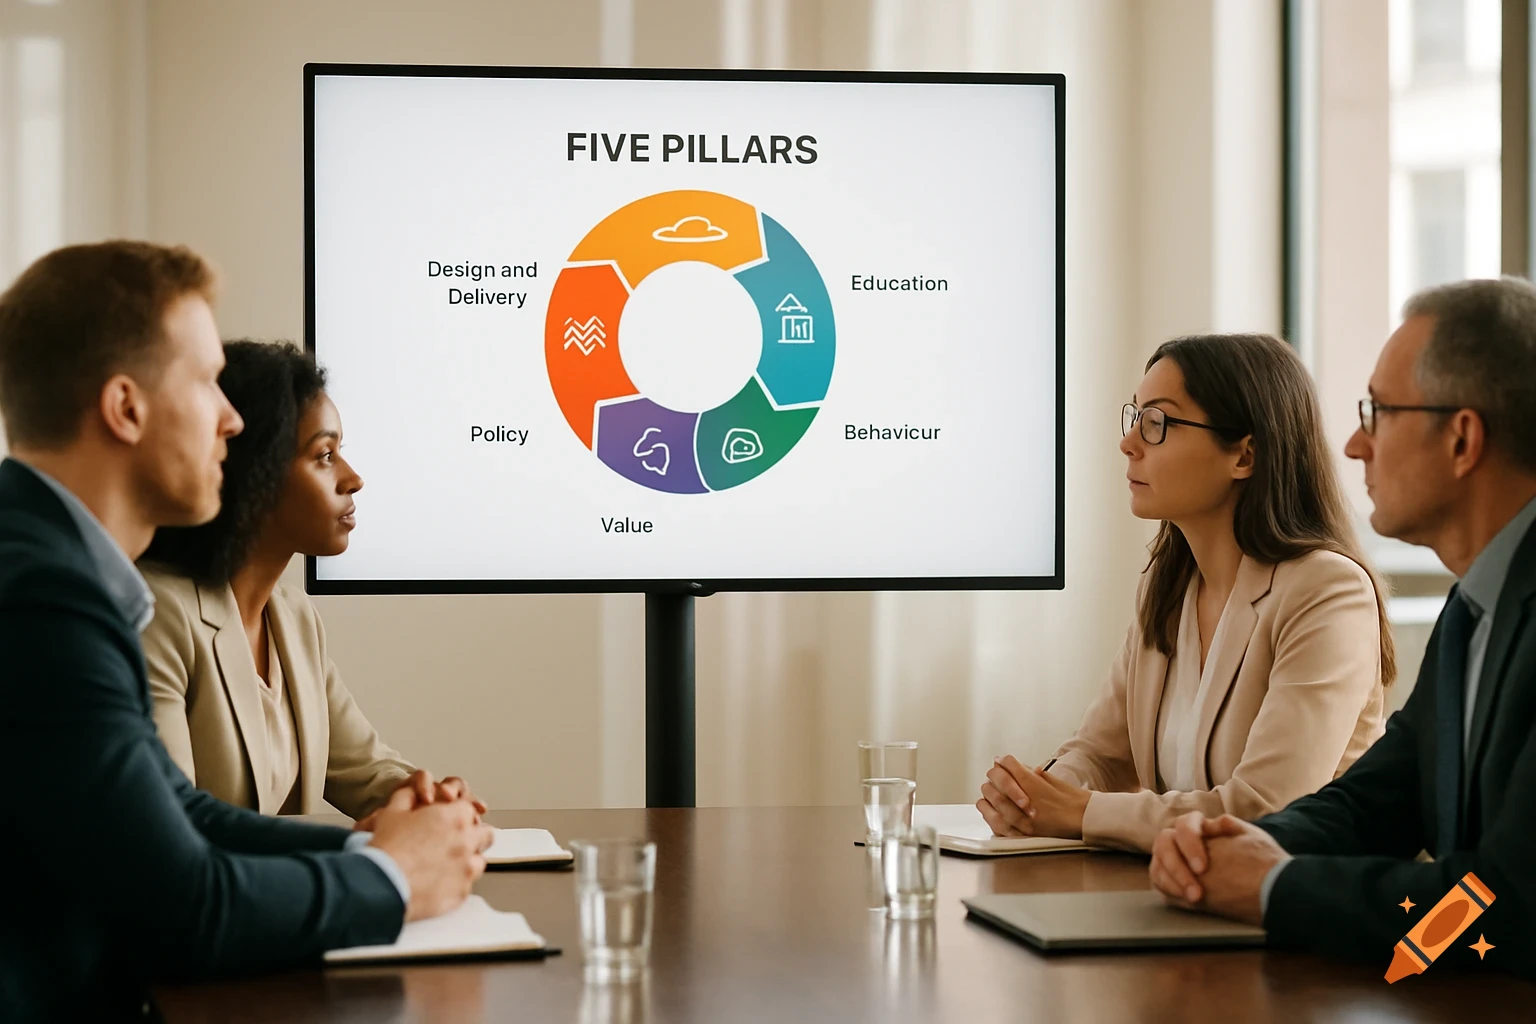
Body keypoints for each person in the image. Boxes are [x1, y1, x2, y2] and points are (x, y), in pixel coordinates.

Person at [0, 242, 491, 1021]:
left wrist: (375, 847)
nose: (232, 420)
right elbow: (182, 909)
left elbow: (181, 816)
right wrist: (394, 879)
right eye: (205, 382)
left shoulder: (52, 568)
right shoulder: (44, 598)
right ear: (126, 407)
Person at [1148, 279, 1536, 979]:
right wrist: (1232, 845)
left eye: (1378, 412)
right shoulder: (1473, 608)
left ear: (1462, 438)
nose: (1355, 445)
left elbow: (1505, 908)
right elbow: (1376, 804)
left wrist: (1275, 886)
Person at [978, 333, 1394, 853]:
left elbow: (1269, 808)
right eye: (1135, 418)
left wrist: (1078, 812)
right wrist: (1035, 797)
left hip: (1300, 895)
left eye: (1158, 423)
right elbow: (1102, 755)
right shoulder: (1169, 588)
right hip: (1184, 887)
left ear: (1244, 455)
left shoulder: (1328, 591)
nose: (1129, 443)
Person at [139, 340, 479, 824]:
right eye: (324, 455)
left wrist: (427, 800)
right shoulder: (158, 615)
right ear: (254, 474)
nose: (352, 478)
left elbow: (364, 769)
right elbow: (173, 827)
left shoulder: (294, 618)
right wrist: (360, 851)